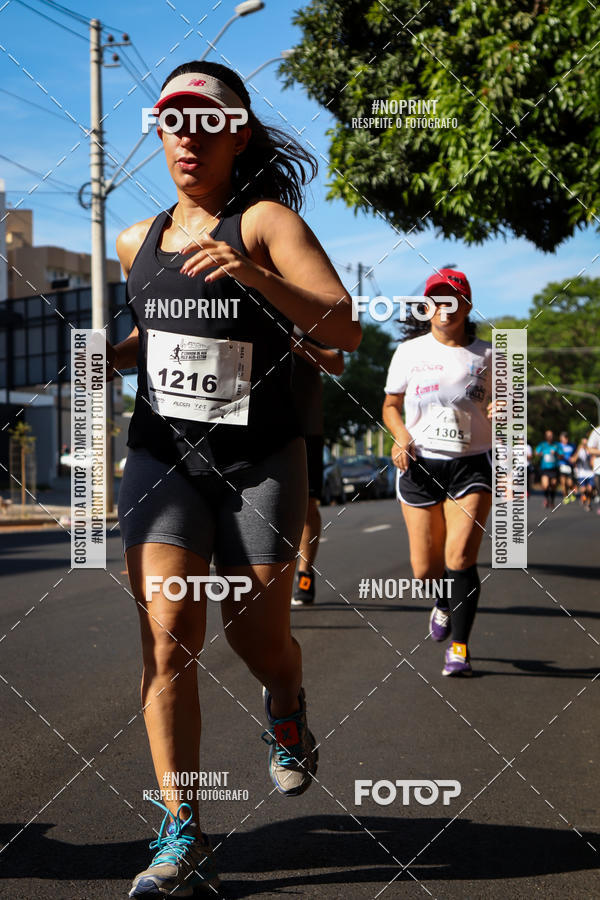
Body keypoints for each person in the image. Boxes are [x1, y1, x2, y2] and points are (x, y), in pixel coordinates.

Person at [107, 61, 361, 898]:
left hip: (259, 460)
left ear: (237, 132)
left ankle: (284, 698)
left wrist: (250, 271)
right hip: (161, 457)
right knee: (169, 630)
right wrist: (95, 357)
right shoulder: (132, 239)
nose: (187, 135)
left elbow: (342, 327)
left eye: (206, 121)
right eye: (172, 121)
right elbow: (148, 337)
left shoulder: (264, 222)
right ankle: (181, 832)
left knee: (255, 637)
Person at [382, 269, 493, 677]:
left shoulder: (490, 354)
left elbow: (513, 411)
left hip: (472, 463)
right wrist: (400, 436)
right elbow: (391, 406)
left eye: (454, 299)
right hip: (420, 464)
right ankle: (443, 600)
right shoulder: (410, 352)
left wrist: (503, 410)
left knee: (460, 557)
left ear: (466, 306)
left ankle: (460, 648)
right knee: (426, 569)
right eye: (436, 300)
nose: (445, 307)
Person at [290, 328, 344, 605]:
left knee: (307, 505)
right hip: (248, 421)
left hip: (304, 425)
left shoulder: (306, 311)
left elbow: (336, 364)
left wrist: (297, 345)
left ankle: (304, 574)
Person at [534, 430, 561, 508]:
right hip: (545, 468)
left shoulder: (556, 445)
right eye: (548, 435)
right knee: (545, 485)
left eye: (551, 435)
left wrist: (556, 453)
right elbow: (536, 452)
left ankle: (552, 501)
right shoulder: (542, 445)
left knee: (553, 485)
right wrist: (540, 454)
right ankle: (546, 498)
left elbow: (561, 456)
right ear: (546, 437)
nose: (550, 437)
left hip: (554, 468)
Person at [570, 436, 595, 510]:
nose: (584, 445)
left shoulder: (591, 451)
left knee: (590, 489)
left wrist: (589, 451)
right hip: (581, 473)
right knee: (583, 489)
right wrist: (578, 450)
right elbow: (573, 460)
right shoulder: (579, 451)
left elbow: (593, 462)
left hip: (591, 472)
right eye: (583, 443)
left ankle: (588, 503)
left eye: (585, 444)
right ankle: (583, 496)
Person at [558, 431, 576, 503]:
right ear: (561, 438)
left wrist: (574, 459)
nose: (566, 440)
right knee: (563, 482)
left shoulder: (572, 445)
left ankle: (571, 492)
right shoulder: (558, 446)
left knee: (570, 483)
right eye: (564, 438)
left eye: (567, 438)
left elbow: (576, 454)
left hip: (569, 466)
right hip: (561, 465)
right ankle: (565, 496)